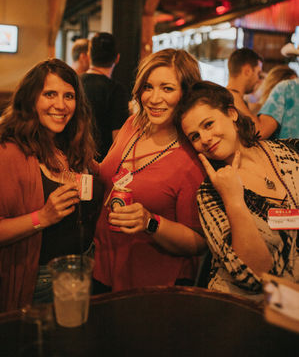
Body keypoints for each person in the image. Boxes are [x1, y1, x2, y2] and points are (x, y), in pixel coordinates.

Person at [92, 48, 207, 293]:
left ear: (186, 94)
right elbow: (109, 174)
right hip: (103, 265)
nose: (154, 99)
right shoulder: (133, 125)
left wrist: (150, 222)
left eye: (167, 88)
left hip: (153, 283)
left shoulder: (192, 157)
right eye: (148, 87)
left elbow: (198, 242)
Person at [178, 81, 299, 301]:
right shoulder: (210, 194)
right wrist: (233, 200)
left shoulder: (292, 151)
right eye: (194, 136)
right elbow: (254, 276)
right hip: (246, 315)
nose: (204, 139)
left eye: (208, 124)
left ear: (232, 114)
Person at [0, 59, 104, 312]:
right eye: (50, 94)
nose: (61, 105)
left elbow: (104, 176)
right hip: (39, 280)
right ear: (30, 98)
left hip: (85, 269)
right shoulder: (9, 151)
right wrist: (43, 217)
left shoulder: (70, 145)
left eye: (69, 95)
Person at [81, 32, 129, 161]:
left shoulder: (75, 82)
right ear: (117, 58)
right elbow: (118, 138)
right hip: (101, 163)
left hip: (73, 158)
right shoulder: (116, 90)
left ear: (88, 56)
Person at [226, 47, 263, 125]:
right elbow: (258, 130)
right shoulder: (231, 97)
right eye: (258, 74)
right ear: (247, 71)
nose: (259, 80)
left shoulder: (233, 97)